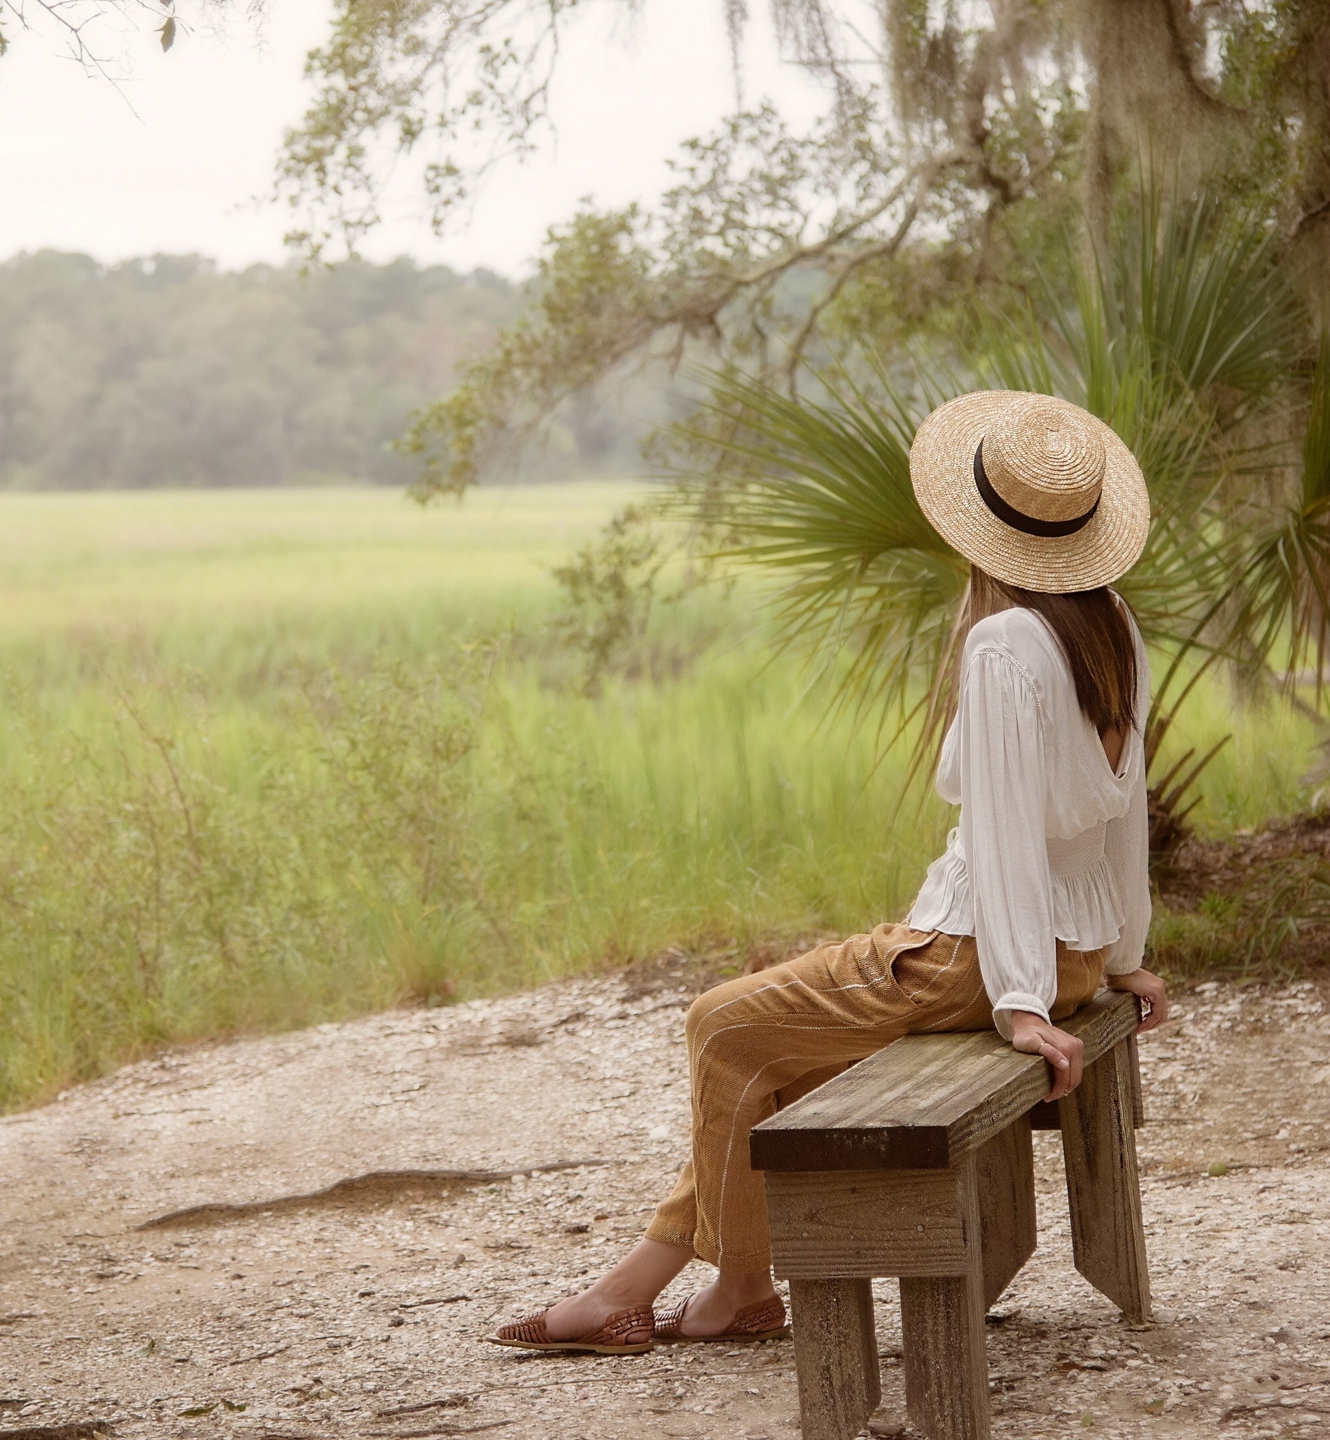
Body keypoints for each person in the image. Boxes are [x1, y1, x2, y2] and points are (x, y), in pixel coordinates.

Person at [487, 389, 1173, 1356]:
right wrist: (1121, 956)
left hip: (978, 956)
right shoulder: (1112, 627)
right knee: (760, 1054)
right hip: (1069, 951)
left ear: (977, 531)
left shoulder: (1003, 643)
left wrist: (1021, 1002)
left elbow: (1013, 837)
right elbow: (1122, 818)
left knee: (719, 1024)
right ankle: (646, 1289)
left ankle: (733, 1293)